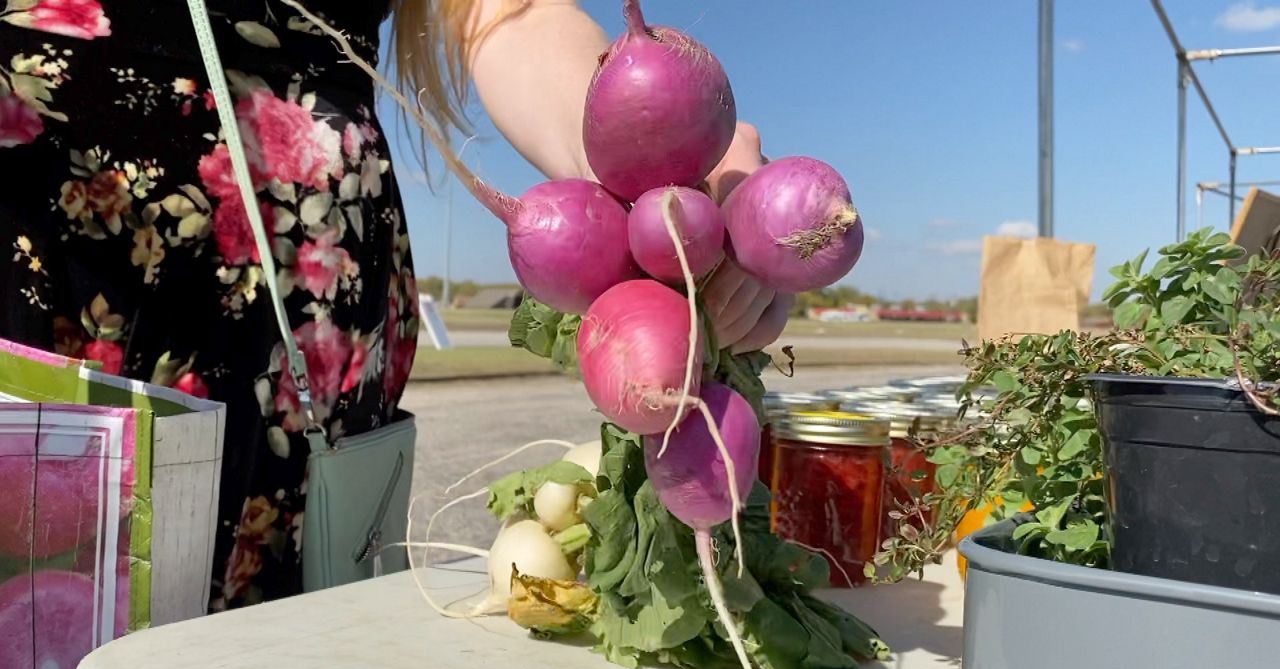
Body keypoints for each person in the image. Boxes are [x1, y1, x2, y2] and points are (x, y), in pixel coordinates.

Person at [0, 0, 784, 610]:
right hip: (51, 227)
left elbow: (508, 15)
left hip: (308, 302)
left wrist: (655, 158)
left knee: (266, 648)